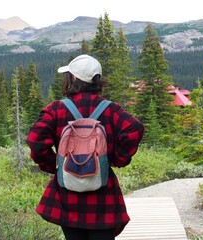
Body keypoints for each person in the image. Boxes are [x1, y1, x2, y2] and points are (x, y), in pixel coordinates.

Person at [27, 54, 144, 240]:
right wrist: (116, 159)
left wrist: (53, 166)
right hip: (103, 195)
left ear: (74, 78)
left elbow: (35, 139)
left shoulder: (57, 109)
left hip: (67, 196)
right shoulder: (110, 109)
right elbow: (135, 128)